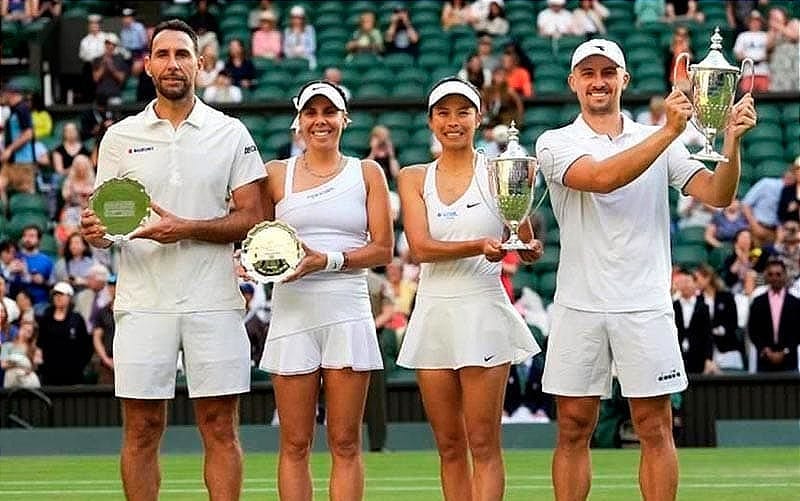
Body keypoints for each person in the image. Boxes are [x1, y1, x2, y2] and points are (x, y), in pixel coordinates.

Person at [535, 38, 755, 500]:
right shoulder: (554, 142)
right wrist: (668, 131)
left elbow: (718, 194)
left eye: (608, 73)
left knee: (654, 426)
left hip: (645, 304)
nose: (599, 82)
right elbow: (600, 179)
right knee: (574, 427)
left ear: (624, 80)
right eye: (589, 73)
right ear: (573, 82)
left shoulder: (660, 137)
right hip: (579, 303)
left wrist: (730, 142)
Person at [79, 20, 266, 500]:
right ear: (147, 65)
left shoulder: (231, 132)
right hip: (143, 302)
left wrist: (186, 228)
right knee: (141, 428)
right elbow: (107, 223)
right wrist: (96, 235)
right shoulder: (119, 137)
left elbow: (254, 216)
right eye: (162, 55)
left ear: (200, 64)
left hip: (214, 299)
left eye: (183, 54)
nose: (173, 64)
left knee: (220, 425)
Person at [396, 77, 542, 500]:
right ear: (431, 121)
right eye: (443, 113)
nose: (453, 121)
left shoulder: (501, 172)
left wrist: (527, 248)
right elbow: (421, 248)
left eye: (463, 112)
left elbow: (525, 238)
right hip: (434, 314)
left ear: (478, 118)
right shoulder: (412, 177)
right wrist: (478, 245)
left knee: (483, 443)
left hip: (483, 310)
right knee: (449, 446)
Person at [257, 79, 393, 500]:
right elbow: (259, 241)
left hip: (347, 311)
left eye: (329, 112)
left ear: (343, 119)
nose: (320, 121)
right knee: (295, 444)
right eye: (311, 113)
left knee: (345, 443)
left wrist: (328, 261)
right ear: (299, 121)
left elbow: (383, 249)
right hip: (293, 312)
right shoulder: (276, 174)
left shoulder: (368, 172)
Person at [747, 259, 800, 372]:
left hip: (789, 361)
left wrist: (785, 351)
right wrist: (766, 351)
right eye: (770, 274)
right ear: (766, 276)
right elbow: (753, 330)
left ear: (785, 276)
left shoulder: (795, 303)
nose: (774, 278)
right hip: (764, 360)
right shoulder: (758, 302)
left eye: (778, 274)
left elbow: (798, 331)